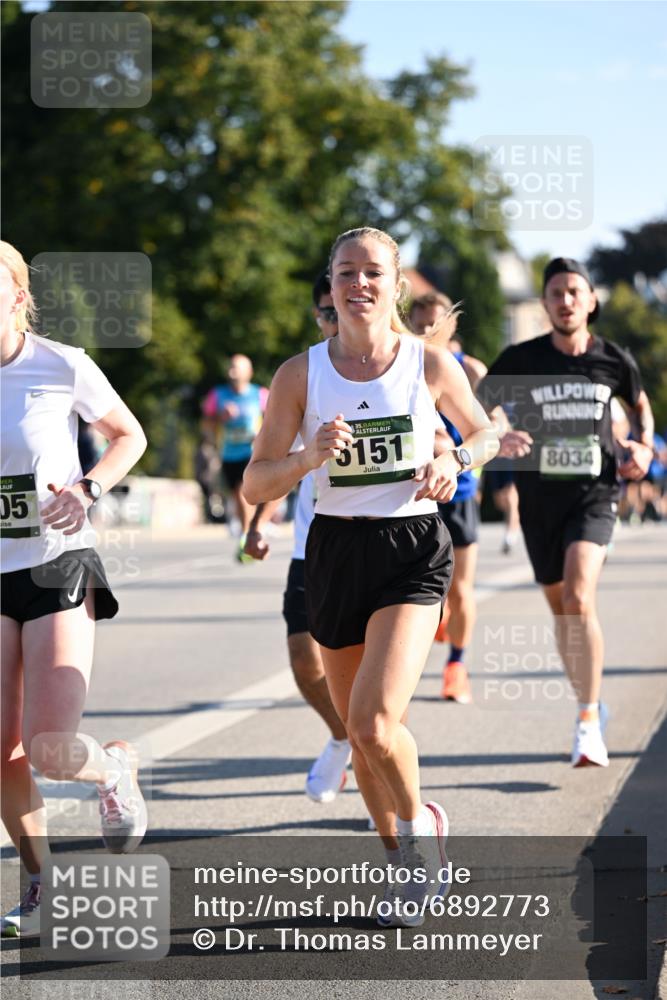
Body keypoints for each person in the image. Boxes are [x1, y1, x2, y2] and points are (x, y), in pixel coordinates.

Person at [243, 227, 498, 923]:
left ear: (396, 286)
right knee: (361, 738)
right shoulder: (300, 375)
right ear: (329, 286)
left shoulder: (428, 363)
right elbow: (255, 481)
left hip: (410, 547)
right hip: (332, 551)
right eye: (344, 273)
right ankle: (401, 863)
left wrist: (454, 462)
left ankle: (421, 841)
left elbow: (484, 433)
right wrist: (305, 456)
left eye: (372, 273)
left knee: (374, 719)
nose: (358, 284)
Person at [0, 241, 148, 937]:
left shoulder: (60, 363)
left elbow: (127, 434)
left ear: (18, 296)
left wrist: (88, 488)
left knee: (51, 747)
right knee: (0, 752)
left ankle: (113, 768)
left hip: (57, 560)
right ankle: (39, 888)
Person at [479, 257, 654, 767]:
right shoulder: (521, 358)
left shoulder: (613, 360)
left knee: (579, 596)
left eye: (575, 291)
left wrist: (641, 445)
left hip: (595, 493)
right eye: (556, 292)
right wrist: (499, 431)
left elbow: (639, 405)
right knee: (563, 610)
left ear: (591, 301)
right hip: (539, 499)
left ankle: (585, 721)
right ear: (545, 304)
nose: (566, 300)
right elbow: (478, 404)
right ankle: (591, 701)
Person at [244, 274, 352, 805]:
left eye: (341, 310)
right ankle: (343, 737)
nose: (335, 321)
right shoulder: (303, 375)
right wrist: (258, 524)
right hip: (313, 549)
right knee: (305, 663)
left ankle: (388, 782)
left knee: (373, 683)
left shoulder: (394, 368)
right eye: (325, 313)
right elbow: (275, 464)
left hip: (385, 547)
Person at [409, 292, 488, 704]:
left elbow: (489, 426)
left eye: (434, 322)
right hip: (414, 492)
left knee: (460, 588)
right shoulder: (400, 363)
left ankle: (456, 665)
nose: (426, 329)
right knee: (424, 589)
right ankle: (438, 621)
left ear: (450, 325)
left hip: (460, 491)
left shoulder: (469, 369)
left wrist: (460, 455)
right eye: (419, 321)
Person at [202, 354, 267, 561]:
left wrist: (264, 436)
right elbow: (206, 424)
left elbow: (277, 420)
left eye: (237, 368)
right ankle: (249, 533)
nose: (233, 372)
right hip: (229, 454)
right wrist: (221, 417)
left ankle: (248, 535)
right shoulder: (218, 395)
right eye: (230, 367)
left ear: (249, 372)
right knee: (238, 498)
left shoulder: (260, 395)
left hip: (252, 453)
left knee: (243, 493)